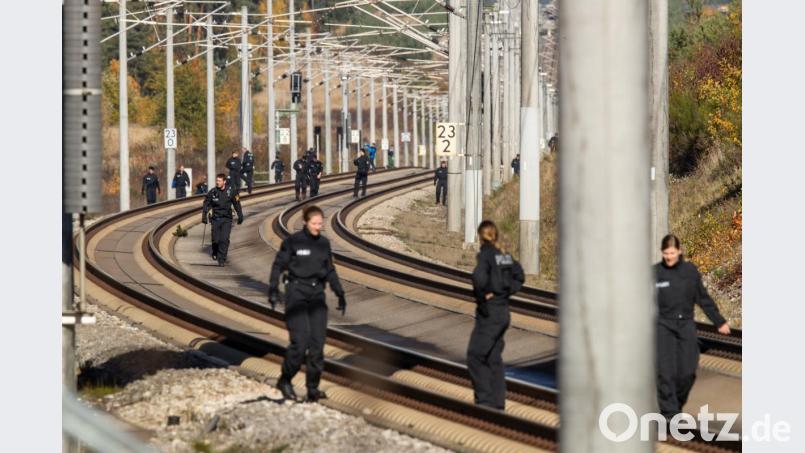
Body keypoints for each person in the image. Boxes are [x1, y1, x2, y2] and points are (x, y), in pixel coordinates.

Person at [268, 205, 347, 402]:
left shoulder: (323, 244)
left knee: (317, 345)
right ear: (305, 222)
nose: (317, 227)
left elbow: (329, 270)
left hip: (317, 295)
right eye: (314, 223)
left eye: (320, 224)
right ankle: (285, 379)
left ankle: (313, 388)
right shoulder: (293, 242)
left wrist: (340, 293)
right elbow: (278, 265)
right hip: (296, 293)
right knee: (300, 342)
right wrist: (272, 288)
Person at [655, 234, 731, 420]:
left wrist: (719, 321)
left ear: (679, 251)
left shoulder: (690, 272)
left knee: (687, 372)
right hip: (663, 325)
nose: (669, 257)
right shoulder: (655, 273)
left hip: (685, 325)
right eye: (665, 253)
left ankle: (676, 404)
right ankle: (669, 414)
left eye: (672, 253)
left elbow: (703, 299)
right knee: (665, 372)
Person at [468, 220, 524, 410]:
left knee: (475, 356)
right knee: (493, 357)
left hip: (490, 313)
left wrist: (483, 298)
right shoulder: (504, 255)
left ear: (481, 236)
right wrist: (507, 291)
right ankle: (498, 403)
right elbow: (520, 275)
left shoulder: (486, 255)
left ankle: (483, 401)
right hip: (503, 311)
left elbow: (478, 278)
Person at [202, 173, 244, 267]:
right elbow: (206, 204)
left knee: (224, 239)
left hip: (227, 219)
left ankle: (222, 259)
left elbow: (237, 203)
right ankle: (215, 252)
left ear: (224, 182)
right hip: (216, 219)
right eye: (217, 181)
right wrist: (204, 216)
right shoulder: (212, 192)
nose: (217, 182)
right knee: (215, 240)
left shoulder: (231, 191)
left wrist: (240, 215)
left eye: (219, 181)